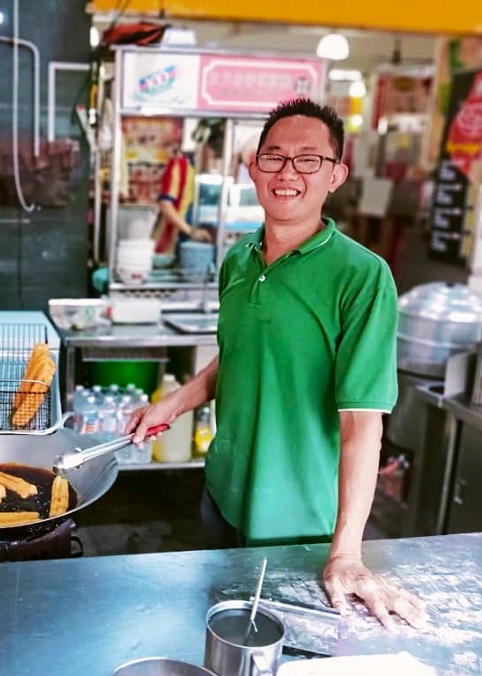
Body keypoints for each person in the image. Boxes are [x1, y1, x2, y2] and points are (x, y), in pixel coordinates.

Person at [127, 98, 427, 630]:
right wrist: (175, 401)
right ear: (253, 168)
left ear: (336, 175)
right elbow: (242, 355)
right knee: (217, 640)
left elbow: (363, 422)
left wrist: (347, 555)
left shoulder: (362, 276)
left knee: (280, 656)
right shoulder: (238, 259)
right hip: (223, 494)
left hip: (299, 520)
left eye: (309, 159)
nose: (288, 173)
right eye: (274, 157)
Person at [151, 120, 218, 255]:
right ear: (202, 145)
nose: (213, 159)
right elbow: (165, 205)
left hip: (196, 245)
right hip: (169, 243)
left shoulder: (208, 176)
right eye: (212, 152)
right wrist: (191, 231)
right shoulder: (179, 166)